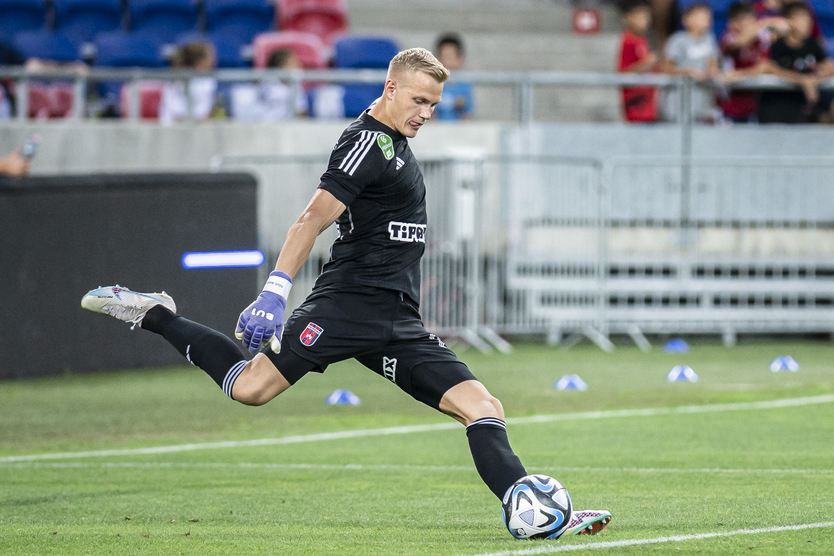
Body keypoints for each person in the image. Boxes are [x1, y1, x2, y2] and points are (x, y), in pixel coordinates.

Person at [80, 47, 610, 538]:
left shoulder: (396, 143)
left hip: (397, 319)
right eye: (419, 100)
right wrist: (275, 292)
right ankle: (156, 314)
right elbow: (312, 218)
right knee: (250, 389)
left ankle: (533, 510)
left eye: (434, 104)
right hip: (344, 307)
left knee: (482, 405)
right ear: (391, 88)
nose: (427, 112)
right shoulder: (365, 142)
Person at [758, 2, 834, 123]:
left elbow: (828, 66)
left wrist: (816, 78)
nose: (808, 24)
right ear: (789, 21)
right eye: (802, 19)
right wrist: (802, 80)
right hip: (780, 108)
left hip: (806, 108)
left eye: (809, 19)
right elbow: (771, 69)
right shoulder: (778, 46)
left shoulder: (812, 44)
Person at [661, 2, 720, 122]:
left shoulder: (710, 40)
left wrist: (711, 71)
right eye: (701, 16)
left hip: (702, 106)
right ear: (687, 20)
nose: (707, 19)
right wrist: (688, 72)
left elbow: (712, 65)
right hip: (677, 105)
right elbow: (666, 69)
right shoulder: (677, 40)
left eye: (708, 16)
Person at [717, 2, 773, 122]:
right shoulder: (728, 38)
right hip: (728, 108)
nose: (751, 25)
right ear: (734, 23)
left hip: (753, 108)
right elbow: (738, 44)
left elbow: (765, 67)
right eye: (745, 20)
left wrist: (739, 75)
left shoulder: (760, 41)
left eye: (752, 19)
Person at [231, 49, 308, 121]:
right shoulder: (267, 84)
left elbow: (301, 113)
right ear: (281, 67)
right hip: (262, 124)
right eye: (292, 64)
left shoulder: (297, 86)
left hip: (286, 126)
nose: (297, 68)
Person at [617, 0, 659, 122]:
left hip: (649, 104)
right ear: (629, 18)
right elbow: (623, 74)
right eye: (640, 17)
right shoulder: (627, 41)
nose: (644, 21)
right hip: (635, 106)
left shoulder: (643, 40)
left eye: (646, 17)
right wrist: (646, 63)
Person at [159, 41, 220, 125]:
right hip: (171, 129)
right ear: (200, 62)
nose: (215, 62)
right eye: (211, 58)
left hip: (196, 129)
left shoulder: (208, 82)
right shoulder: (174, 80)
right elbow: (177, 116)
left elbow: (204, 116)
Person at [434, 33, 474, 120]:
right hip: (437, 127)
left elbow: (468, 116)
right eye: (444, 57)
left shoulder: (465, 85)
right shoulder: (432, 84)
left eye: (451, 57)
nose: (447, 63)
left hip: (457, 128)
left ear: (460, 59)